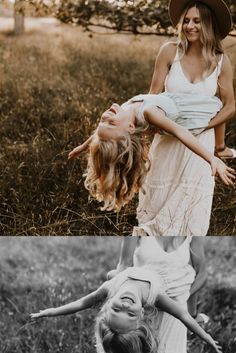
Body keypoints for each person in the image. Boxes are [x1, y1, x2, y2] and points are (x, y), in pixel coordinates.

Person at [68, 92, 235, 212]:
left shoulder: (122, 114)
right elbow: (180, 132)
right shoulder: (149, 112)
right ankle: (221, 150)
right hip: (192, 113)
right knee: (219, 105)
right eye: (111, 123)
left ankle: (222, 148)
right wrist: (211, 158)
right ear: (130, 128)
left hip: (174, 98)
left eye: (102, 120)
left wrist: (83, 147)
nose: (106, 117)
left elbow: (102, 133)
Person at [30, 262, 222, 353]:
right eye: (130, 313)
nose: (124, 304)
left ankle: (115, 275)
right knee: (181, 295)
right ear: (142, 313)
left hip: (126, 273)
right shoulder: (153, 297)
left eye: (116, 309)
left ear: (105, 306)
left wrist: (50, 312)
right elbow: (182, 314)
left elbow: (80, 303)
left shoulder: (109, 289)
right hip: (162, 275)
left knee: (111, 274)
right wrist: (205, 337)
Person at [108, 236, 209, 353]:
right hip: (144, 306)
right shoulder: (138, 222)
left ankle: (193, 317)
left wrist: (183, 298)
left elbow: (202, 274)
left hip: (176, 306)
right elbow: (124, 265)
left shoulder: (192, 225)